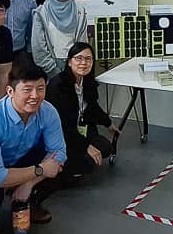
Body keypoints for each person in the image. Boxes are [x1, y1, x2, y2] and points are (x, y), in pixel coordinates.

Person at [0, 60, 67, 234]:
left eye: (40, 89)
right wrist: (39, 171)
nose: (35, 96)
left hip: (18, 161)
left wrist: (28, 182)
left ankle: (28, 201)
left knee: (58, 169)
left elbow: (59, 152)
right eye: (27, 90)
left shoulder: (47, 111)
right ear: (10, 91)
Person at [45, 41, 118, 180]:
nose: (83, 63)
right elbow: (62, 125)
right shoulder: (58, 85)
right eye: (78, 58)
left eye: (88, 59)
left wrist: (108, 123)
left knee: (106, 147)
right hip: (61, 135)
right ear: (69, 62)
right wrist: (86, 146)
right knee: (87, 163)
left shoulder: (87, 82)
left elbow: (93, 107)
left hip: (79, 130)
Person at [30, 0, 89, 77]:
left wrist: (77, 66)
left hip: (74, 67)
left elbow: (82, 43)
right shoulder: (41, 12)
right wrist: (53, 70)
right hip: (50, 69)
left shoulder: (79, 11)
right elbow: (38, 47)